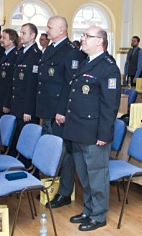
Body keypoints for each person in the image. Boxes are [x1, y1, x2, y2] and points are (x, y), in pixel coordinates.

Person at [64, 26, 121, 231]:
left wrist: (104, 135)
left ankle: (99, 215)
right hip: (78, 130)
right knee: (85, 176)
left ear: (100, 41)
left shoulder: (108, 67)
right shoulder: (86, 62)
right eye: (83, 35)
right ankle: (88, 209)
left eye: (87, 36)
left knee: (97, 175)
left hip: (94, 133)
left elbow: (110, 105)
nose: (83, 39)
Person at [36, 15, 83, 209]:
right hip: (47, 109)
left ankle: (64, 191)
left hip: (59, 112)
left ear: (62, 30)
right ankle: (52, 186)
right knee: (53, 152)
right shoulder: (51, 49)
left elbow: (70, 85)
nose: (47, 29)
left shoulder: (71, 52)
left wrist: (62, 110)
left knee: (64, 153)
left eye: (50, 27)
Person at [9, 23, 41, 170]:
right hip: (17, 104)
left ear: (33, 35)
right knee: (18, 136)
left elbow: (32, 86)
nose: (21, 36)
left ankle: (28, 169)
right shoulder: (21, 52)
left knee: (26, 141)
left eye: (24, 33)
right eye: (21, 33)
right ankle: (19, 165)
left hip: (26, 108)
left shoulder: (35, 54)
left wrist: (28, 110)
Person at [0, 28, 19, 116]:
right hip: (0, 97)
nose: (1, 40)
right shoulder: (5, 54)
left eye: (4, 37)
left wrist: (7, 103)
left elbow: (11, 82)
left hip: (6, 99)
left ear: (12, 40)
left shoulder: (15, 56)